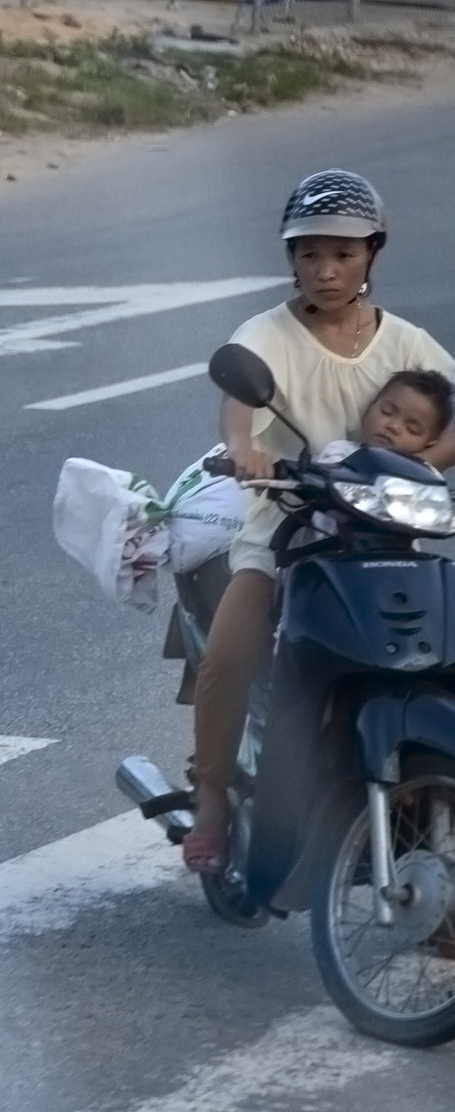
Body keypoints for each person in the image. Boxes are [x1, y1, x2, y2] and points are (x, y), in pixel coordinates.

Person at [187, 171, 455, 875]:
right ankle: (211, 797)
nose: (326, 269)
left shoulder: (406, 343)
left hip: (392, 538)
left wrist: (427, 457)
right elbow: (237, 407)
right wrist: (243, 450)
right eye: (308, 253)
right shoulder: (264, 335)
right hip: (287, 531)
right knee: (230, 655)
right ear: (291, 259)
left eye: (342, 252)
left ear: (373, 253)